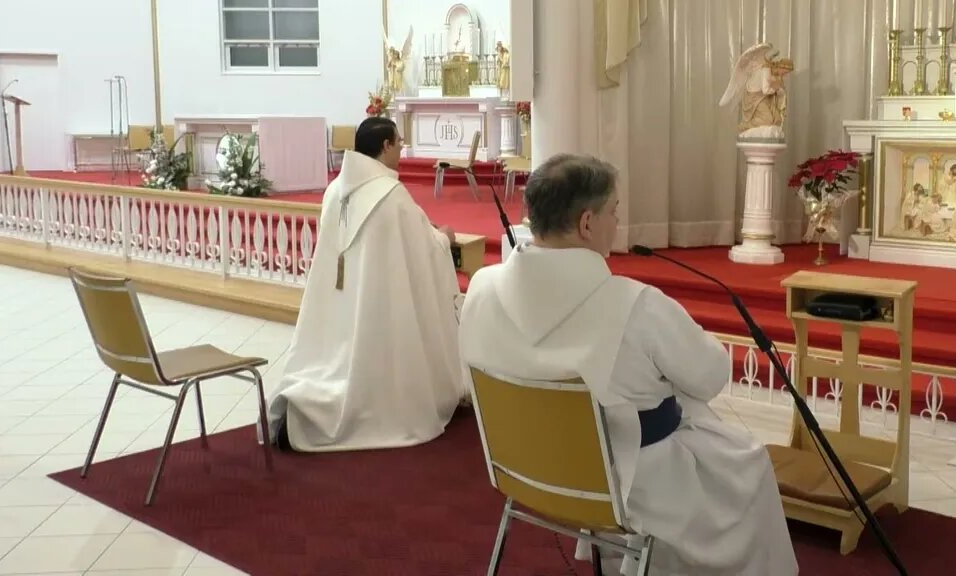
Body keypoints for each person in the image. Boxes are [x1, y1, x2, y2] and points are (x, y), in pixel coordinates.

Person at [459, 154, 798, 576]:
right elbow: (710, 376)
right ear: (587, 223)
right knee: (749, 464)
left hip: (527, 473)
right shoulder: (635, 305)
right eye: (614, 211)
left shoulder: (482, 286)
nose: (617, 222)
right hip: (628, 486)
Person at [267, 117, 465, 452]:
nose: (402, 147)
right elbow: (422, 248)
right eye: (399, 141)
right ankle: (343, 411)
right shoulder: (391, 194)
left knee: (340, 356)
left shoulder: (335, 190)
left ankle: (309, 408)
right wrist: (443, 240)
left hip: (341, 298)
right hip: (380, 298)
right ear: (386, 145)